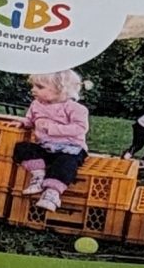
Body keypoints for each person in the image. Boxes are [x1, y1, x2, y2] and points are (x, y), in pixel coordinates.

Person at [16, 69, 92, 210]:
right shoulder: (36, 104)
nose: (33, 90)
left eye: (40, 87)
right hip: (45, 146)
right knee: (23, 148)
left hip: (70, 148)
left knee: (65, 164)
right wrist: (23, 123)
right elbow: (31, 120)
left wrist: (53, 128)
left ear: (60, 89)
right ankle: (38, 176)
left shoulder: (75, 108)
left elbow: (80, 128)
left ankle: (52, 193)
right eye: (33, 86)